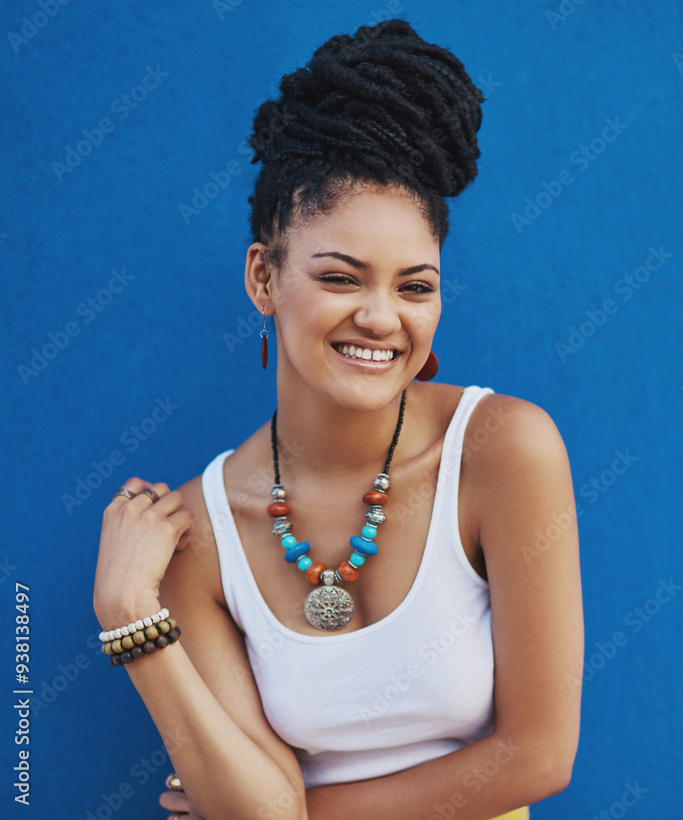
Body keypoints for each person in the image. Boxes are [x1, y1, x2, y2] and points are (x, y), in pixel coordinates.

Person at [92, 18, 584, 820]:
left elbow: (538, 756)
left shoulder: (504, 450)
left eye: (415, 287)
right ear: (264, 277)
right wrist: (128, 619)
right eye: (341, 277)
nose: (382, 318)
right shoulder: (199, 537)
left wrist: (290, 816)